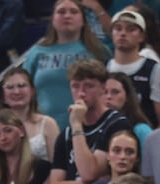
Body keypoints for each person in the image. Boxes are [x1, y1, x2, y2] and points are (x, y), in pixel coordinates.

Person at [21, 0, 109, 132]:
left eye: (73, 12)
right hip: (43, 130)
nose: (67, 16)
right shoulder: (37, 52)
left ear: (83, 20)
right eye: (61, 12)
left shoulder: (98, 51)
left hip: (88, 128)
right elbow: (23, 90)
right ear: (52, 19)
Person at [107, 10, 160, 127]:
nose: (123, 33)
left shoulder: (154, 70)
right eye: (118, 28)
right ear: (111, 34)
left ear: (142, 37)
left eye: (131, 29)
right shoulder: (104, 68)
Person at [0, 68, 59, 162]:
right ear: (3, 95)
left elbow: (58, 167)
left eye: (22, 86)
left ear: (32, 91)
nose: (16, 92)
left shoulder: (48, 124)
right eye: (10, 87)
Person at [103, 72, 153, 144]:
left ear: (127, 97)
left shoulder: (141, 130)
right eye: (105, 92)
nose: (108, 96)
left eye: (115, 92)